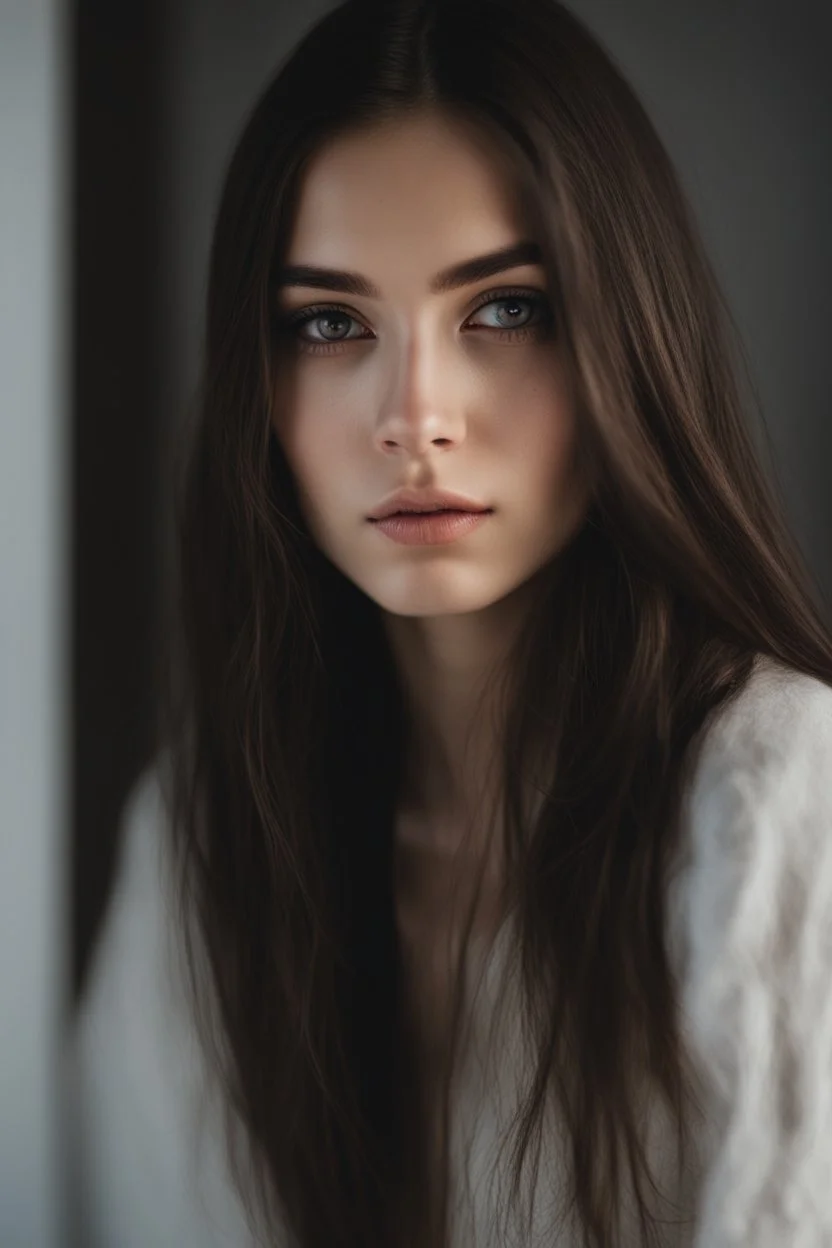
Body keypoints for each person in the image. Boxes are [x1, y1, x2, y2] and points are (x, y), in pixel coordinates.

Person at [68, 0, 832, 1245]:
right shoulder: (198, 848)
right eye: (330, 323)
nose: (412, 415)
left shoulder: (779, 800)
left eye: (503, 310)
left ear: (623, 333)